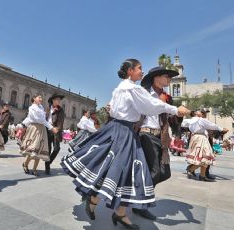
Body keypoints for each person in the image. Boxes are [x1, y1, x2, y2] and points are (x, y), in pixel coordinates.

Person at [61, 59, 189, 229]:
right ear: (130, 71)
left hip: (118, 129)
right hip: (124, 132)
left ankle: (119, 213)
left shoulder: (120, 88)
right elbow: (150, 106)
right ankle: (97, 201)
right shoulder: (132, 88)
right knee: (120, 169)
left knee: (125, 171)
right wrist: (174, 109)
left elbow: (114, 110)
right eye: (139, 68)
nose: (142, 72)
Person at [132, 66, 180, 220]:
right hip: (144, 134)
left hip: (161, 136)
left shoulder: (166, 97)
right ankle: (140, 204)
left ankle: (137, 196)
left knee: (164, 172)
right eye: (167, 76)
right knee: (154, 171)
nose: (169, 80)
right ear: (157, 77)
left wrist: (178, 120)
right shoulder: (143, 93)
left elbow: (172, 118)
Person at [183, 109, 228, 182]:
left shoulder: (190, 120)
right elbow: (212, 125)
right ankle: (192, 169)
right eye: (202, 112)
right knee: (206, 156)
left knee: (204, 157)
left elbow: (183, 124)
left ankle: (201, 175)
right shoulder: (200, 120)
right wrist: (222, 129)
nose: (203, 114)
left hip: (195, 138)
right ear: (196, 113)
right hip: (201, 138)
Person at [21, 94, 58, 176]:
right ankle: (25, 163)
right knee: (33, 149)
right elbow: (39, 120)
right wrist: (51, 127)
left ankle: (34, 169)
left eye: (41, 97)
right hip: (35, 128)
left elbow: (44, 118)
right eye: (39, 97)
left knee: (40, 149)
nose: (41, 99)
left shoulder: (41, 107)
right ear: (34, 98)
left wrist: (52, 111)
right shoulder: (32, 108)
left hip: (42, 129)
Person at [45, 93, 65, 175]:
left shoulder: (60, 110)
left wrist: (58, 128)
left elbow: (61, 121)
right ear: (53, 100)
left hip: (56, 130)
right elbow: (45, 118)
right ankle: (47, 166)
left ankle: (48, 162)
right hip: (47, 129)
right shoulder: (48, 108)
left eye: (60, 100)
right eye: (57, 99)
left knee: (57, 148)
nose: (59, 101)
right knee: (48, 149)